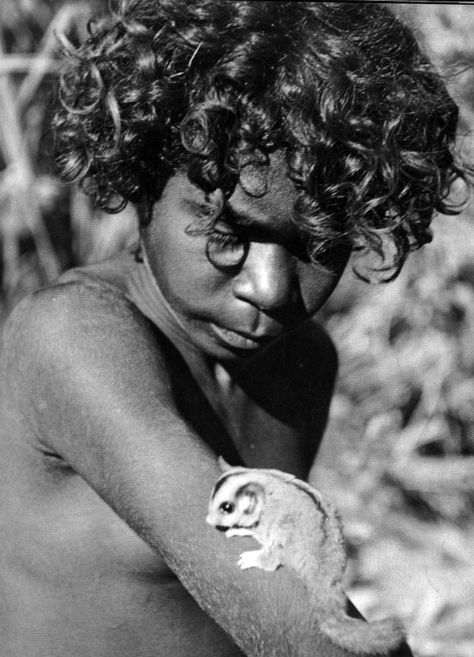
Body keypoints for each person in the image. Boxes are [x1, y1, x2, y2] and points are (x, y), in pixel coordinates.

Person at [0, 1, 467, 656]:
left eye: (321, 240)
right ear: (141, 180)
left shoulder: (296, 364)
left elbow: (302, 596)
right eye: (230, 234)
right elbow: (289, 619)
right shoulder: (75, 340)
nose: (271, 288)